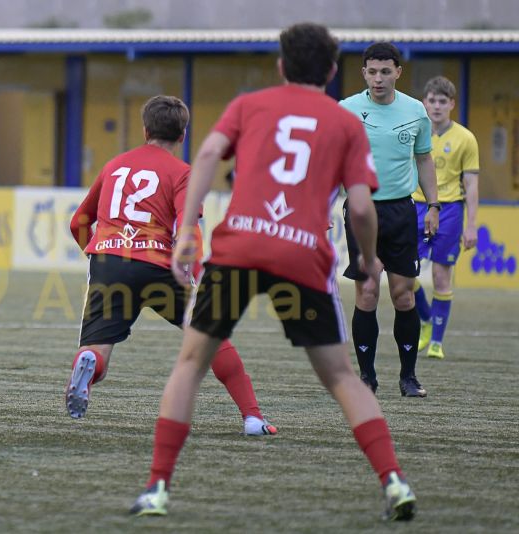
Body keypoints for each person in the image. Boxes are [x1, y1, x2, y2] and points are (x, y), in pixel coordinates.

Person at [129, 23, 416, 521]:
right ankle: (393, 481)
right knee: (342, 377)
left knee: (190, 364)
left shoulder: (249, 105)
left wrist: (187, 232)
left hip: (239, 248)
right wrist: (369, 259)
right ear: (332, 71)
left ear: (281, 66)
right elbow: (361, 208)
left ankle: (157, 488)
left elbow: (206, 155)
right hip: (302, 254)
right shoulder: (346, 122)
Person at [66, 95, 277, 437]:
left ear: (145, 129)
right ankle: (252, 418)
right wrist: (197, 272)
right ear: (182, 135)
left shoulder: (114, 165)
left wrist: (99, 255)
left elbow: (78, 222)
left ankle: (87, 366)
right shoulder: (182, 173)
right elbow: (187, 227)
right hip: (159, 265)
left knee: (97, 350)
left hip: (109, 262)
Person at [339, 42, 440, 397]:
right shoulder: (346, 110)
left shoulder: (416, 111)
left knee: (403, 295)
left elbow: (424, 159)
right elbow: (331, 163)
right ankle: (367, 378)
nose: (378, 78)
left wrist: (433, 205)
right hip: (360, 208)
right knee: (367, 292)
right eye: (372, 72)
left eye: (385, 71)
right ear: (363, 73)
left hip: (400, 211)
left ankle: (408, 377)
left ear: (398, 72)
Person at [412, 76, 480, 359]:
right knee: (404, 274)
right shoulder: (414, 132)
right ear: (424, 103)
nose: (437, 106)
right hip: (414, 206)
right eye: (432, 100)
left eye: (443, 101)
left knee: (441, 276)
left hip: (450, 210)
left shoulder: (465, 138)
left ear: (452, 104)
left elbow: (471, 184)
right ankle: (426, 319)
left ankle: (436, 343)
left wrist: (472, 225)